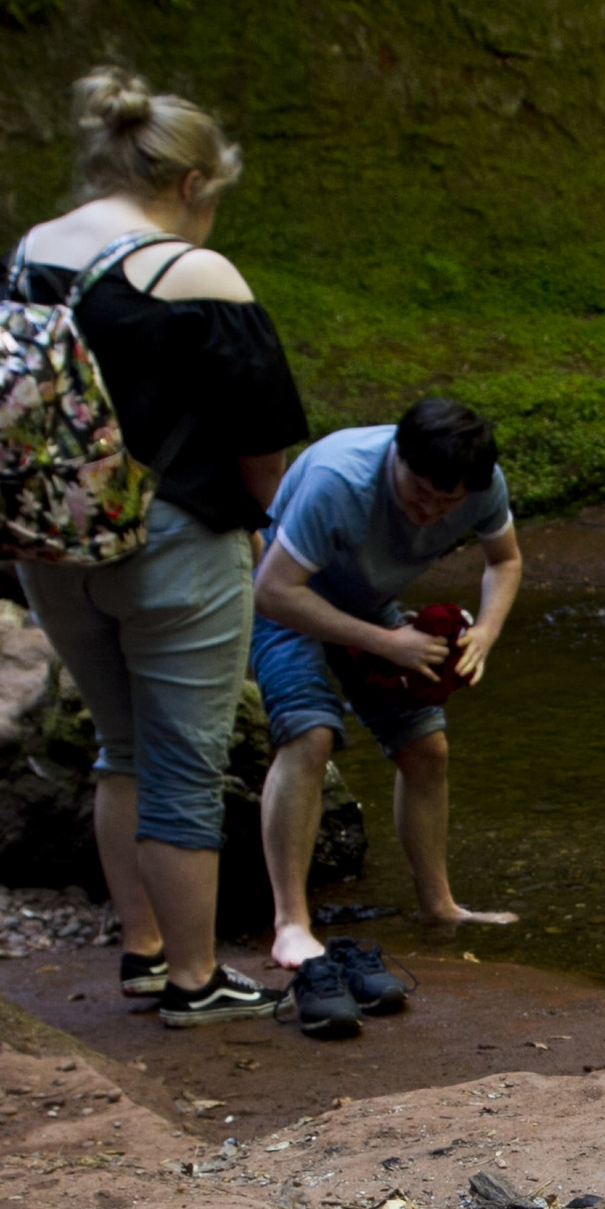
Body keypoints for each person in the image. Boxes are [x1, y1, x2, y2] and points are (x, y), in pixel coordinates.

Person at [4, 66, 312, 1027]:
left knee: (119, 747)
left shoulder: (32, 252)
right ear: (191, 186)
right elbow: (264, 447)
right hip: (173, 545)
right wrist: (276, 527)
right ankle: (194, 979)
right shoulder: (193, 272)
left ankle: (140, 953)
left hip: (52, 540)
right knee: (184, 762)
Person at [248, 398, 522, 1039]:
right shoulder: (338, 481)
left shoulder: (482, 483)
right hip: (291, 600)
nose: (429, 512)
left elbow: (504, 562)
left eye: (446, 505)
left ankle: (440, 907)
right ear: (396, 455)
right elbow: (271, 589)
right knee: (312, 736)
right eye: (419, 494)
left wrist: (485, 631)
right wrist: (385, 643)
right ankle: (292, 923)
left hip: (369, 604)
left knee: (427, 748)